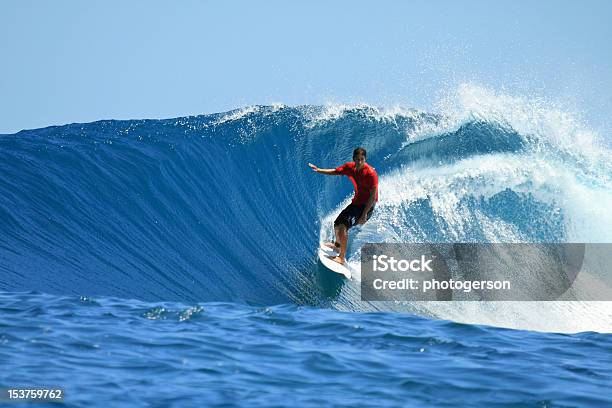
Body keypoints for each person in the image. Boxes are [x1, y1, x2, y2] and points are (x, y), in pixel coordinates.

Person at [308, 147, 378, 265]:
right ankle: (337, 246)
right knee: (337, 223)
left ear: (365, 159)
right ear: (353, 159)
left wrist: (364, 214)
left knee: (343, 226)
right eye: (357, 159)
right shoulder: (349, 167)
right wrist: (319, 170)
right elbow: (335, 171)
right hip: (356, 203)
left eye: (362, 159)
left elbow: (372, 196)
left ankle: (341, 257)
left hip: (367, 206)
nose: (359, 162)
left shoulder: (371, 174)